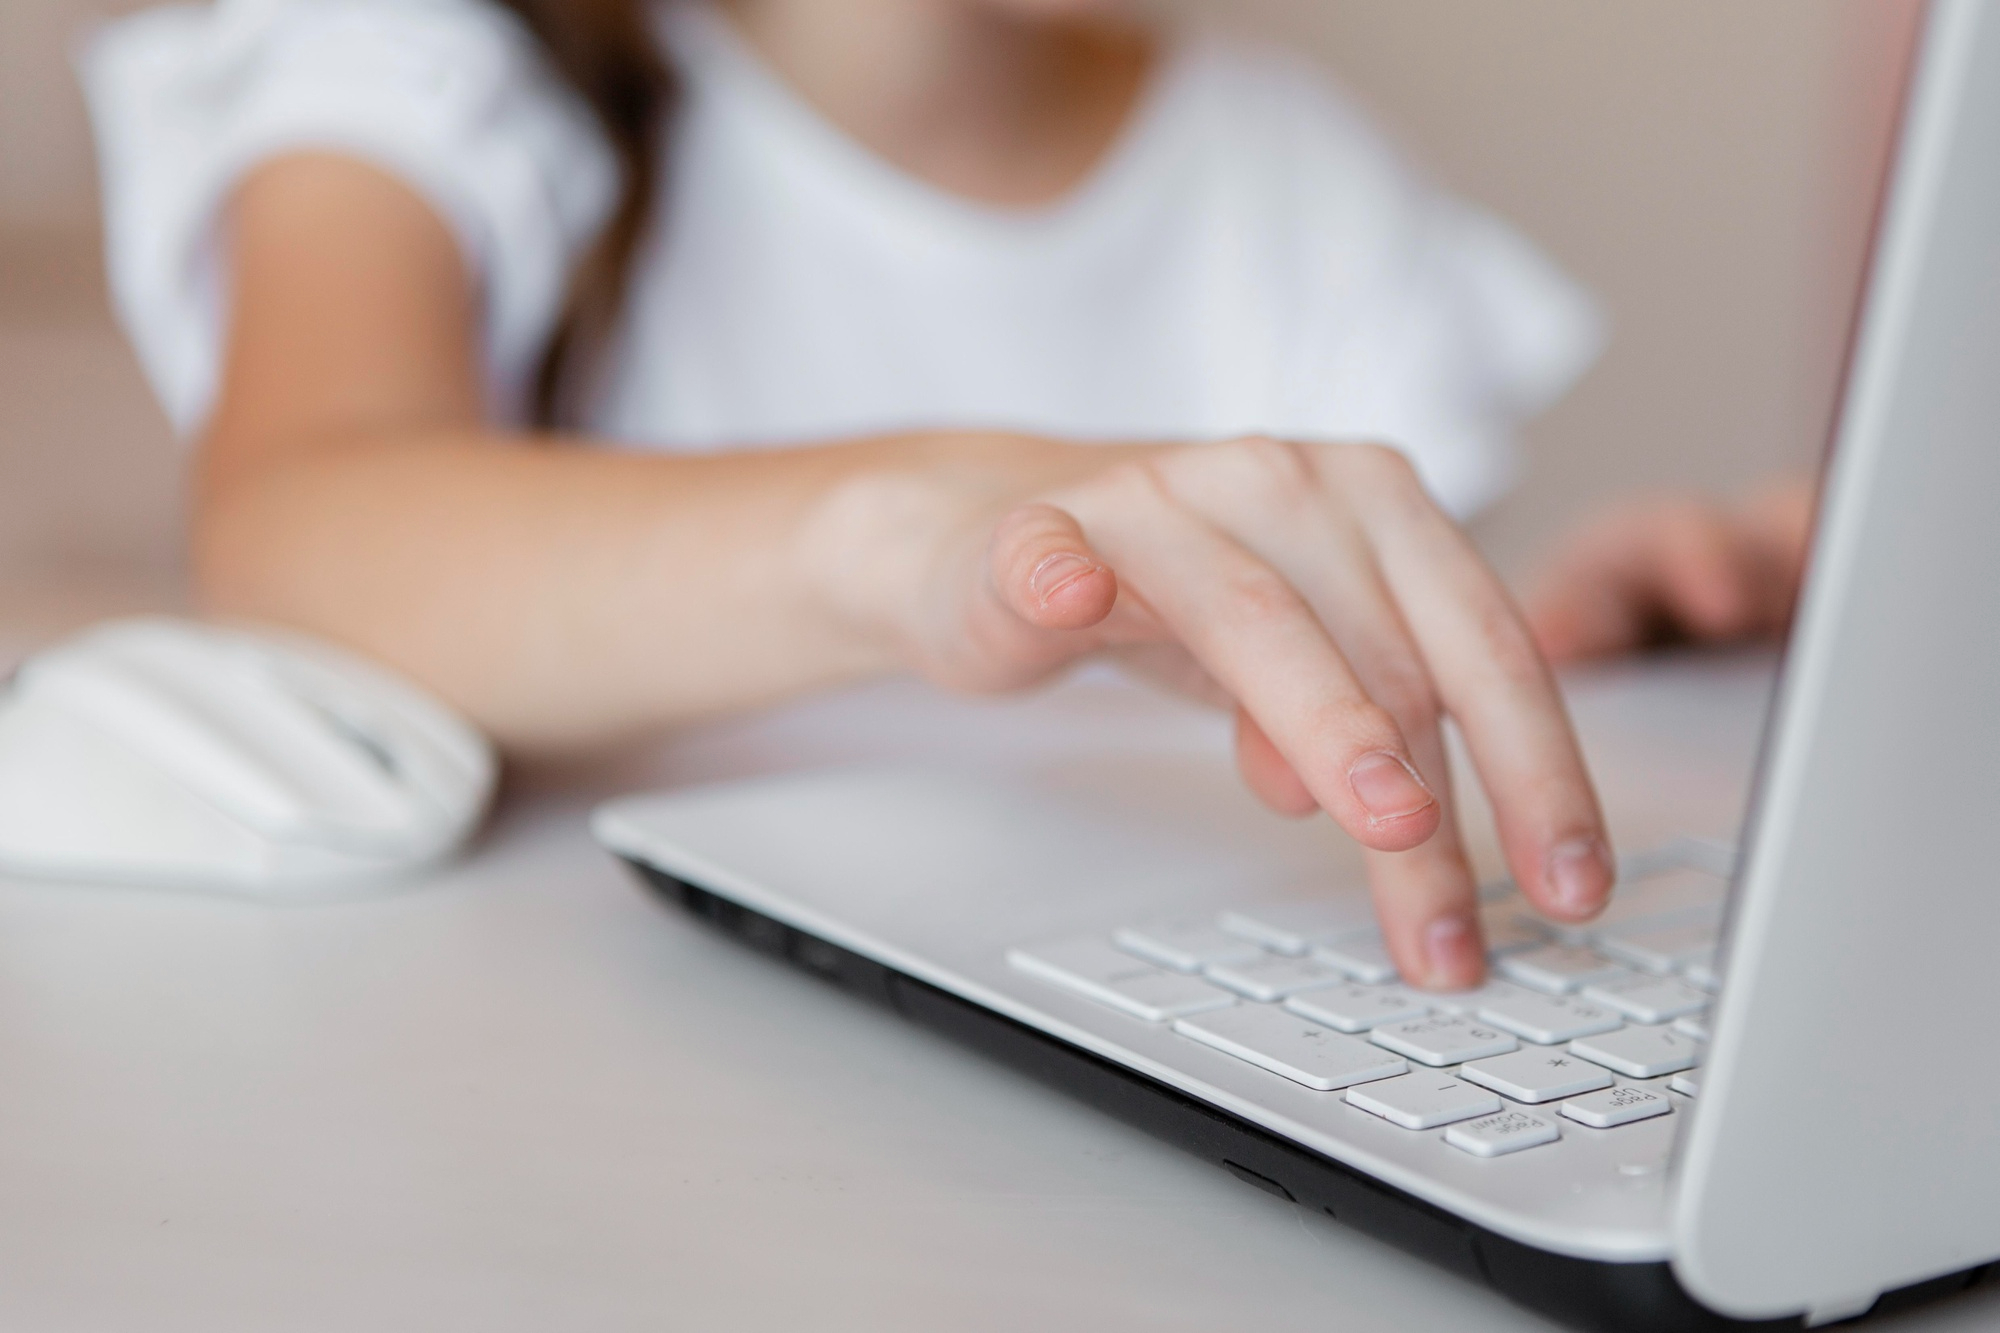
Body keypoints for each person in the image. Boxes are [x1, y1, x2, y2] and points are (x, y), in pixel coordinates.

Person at [80, 0, 1807, 990]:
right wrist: (923, 535)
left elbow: (1319, 715)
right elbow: (296, 545)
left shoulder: (1289, 170)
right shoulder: (417, 62)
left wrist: (1586, 643)